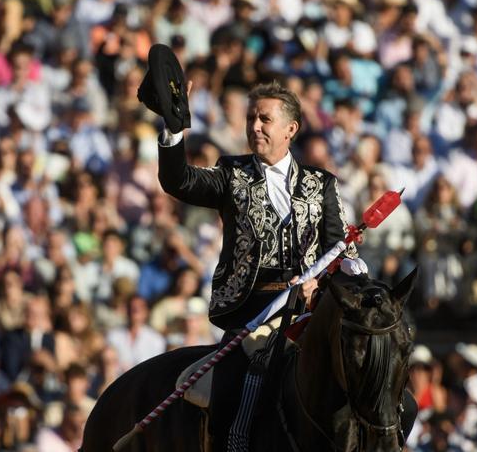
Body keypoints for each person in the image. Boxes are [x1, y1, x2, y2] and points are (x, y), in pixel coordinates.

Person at [148, 45, 367, 450]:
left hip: (309, 313)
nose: (255, 127)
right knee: (232, 387)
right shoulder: (231, 174)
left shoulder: (322, 184)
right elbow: (178, 181)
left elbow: (339, 251)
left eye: (265, 119)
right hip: (250, 312)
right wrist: (175, 128)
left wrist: (325, 284)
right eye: (251, 118)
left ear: (291, 129)